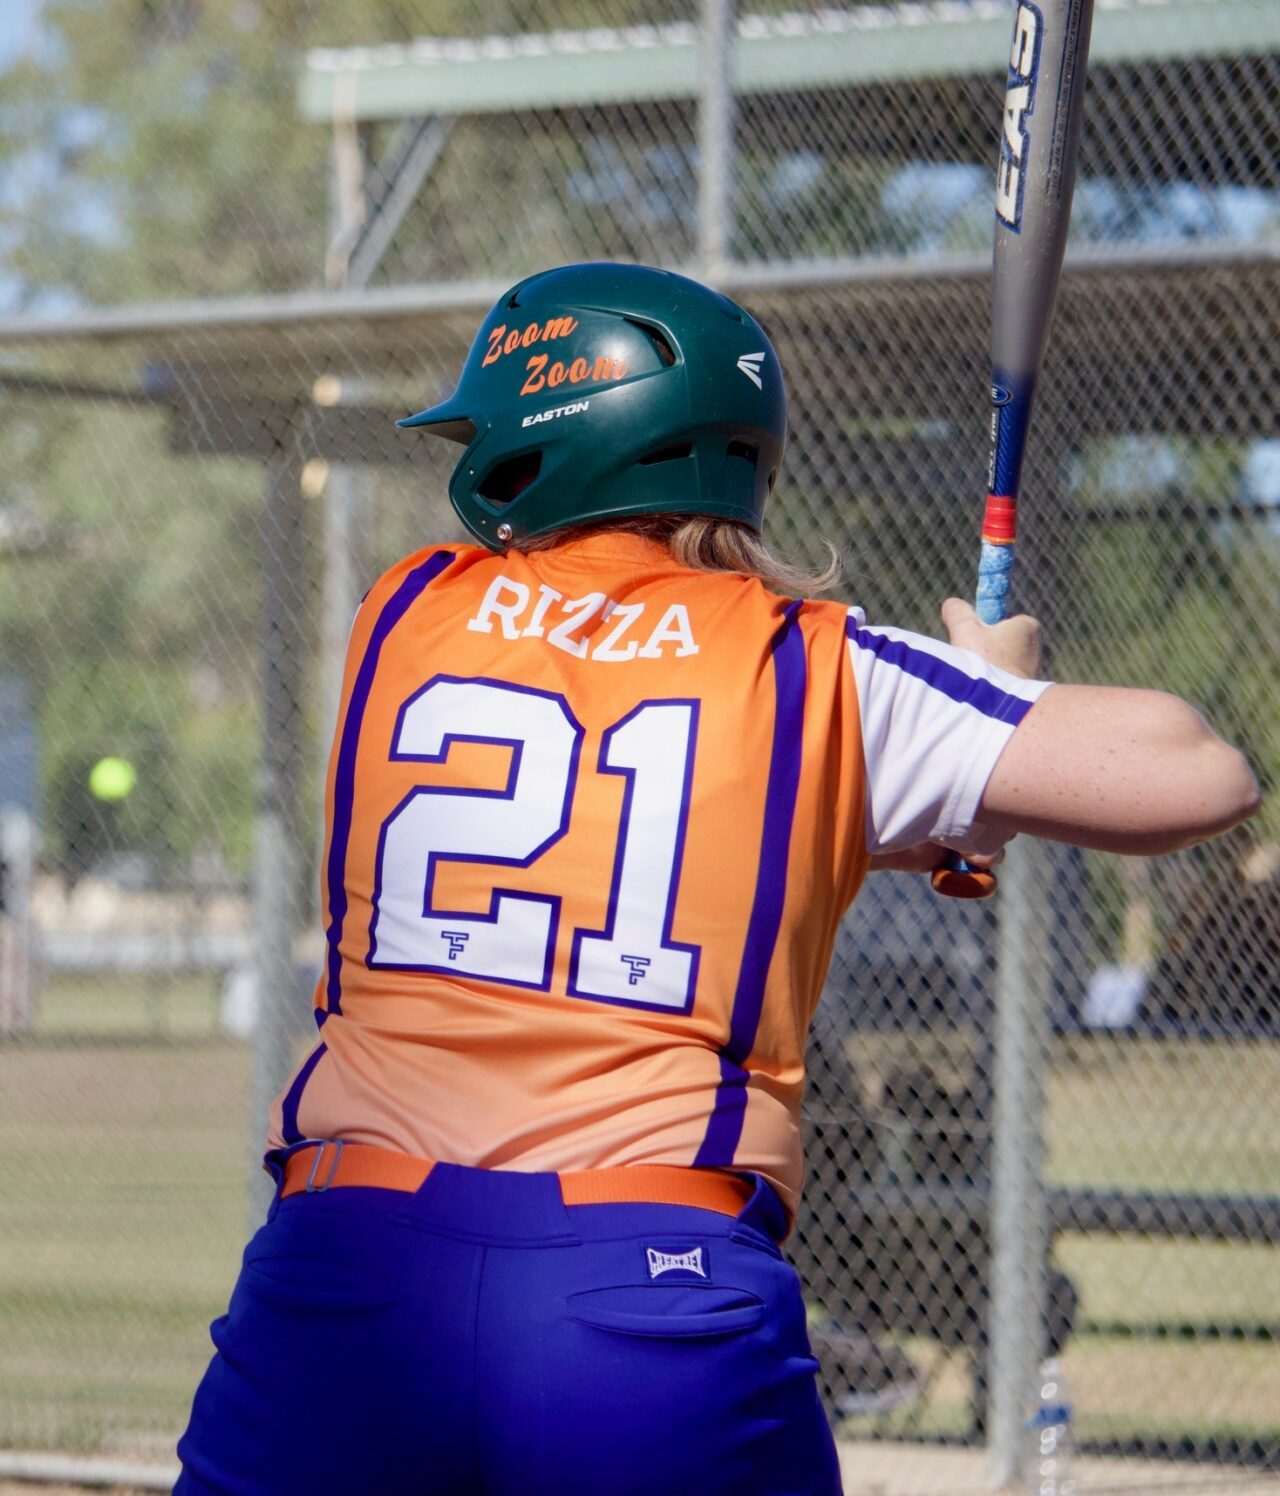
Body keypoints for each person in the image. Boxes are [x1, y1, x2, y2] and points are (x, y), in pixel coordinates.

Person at [174, 262, 1258, 1496]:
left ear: (562, 443)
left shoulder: (404, 613)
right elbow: (1200, 775)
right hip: (647, 1300)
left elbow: (605, 781)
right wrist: (993, 700)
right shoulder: (817, 672)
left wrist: (890, 806)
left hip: (346, 1283)